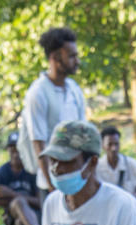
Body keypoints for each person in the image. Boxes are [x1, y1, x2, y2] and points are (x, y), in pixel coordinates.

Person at [18, 26, 86, 192]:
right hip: (52, 184)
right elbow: (39, 145)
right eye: (71, 56)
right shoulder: (38, 93)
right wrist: (51, 188)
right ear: (55, 57)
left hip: (77, 179)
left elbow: (84, 136)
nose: (77, 61)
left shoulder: (74, 89)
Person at [98, 124, 136, 198]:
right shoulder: (96, 168)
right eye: (109, 144)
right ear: (103, 146)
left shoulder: (133, 165)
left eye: (116, 144)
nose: (114, 148)